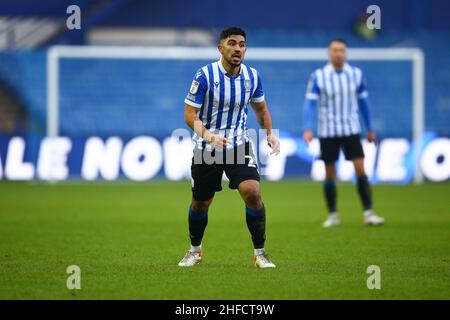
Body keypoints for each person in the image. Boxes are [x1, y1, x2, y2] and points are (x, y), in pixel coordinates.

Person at [178, 27, 280, 268]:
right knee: (201, 203)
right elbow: (189, 114)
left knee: (252, 193)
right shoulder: (204, 75)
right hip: (207, 147)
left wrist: (270, 135)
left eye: (242, 44)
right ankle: (195, 250)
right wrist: (209, 136)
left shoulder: (252, 76)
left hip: (238, 145)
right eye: (232, 43)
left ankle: (260, 253)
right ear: (220, 48)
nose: (237, 48)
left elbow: (261, 109)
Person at [302, 38, 385, 228]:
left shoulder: (356, 74)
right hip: (328, 131)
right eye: (335, 50)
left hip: (351, 130)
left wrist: (370, 128)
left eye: (341, 50)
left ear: (345, 53)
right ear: (329, 53)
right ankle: (333, 215)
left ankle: (368, 213)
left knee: (361, 170)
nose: (338, 53)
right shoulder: (319, 76)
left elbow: (364, 103)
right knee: (329, 174)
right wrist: (308, 128)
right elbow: (310, 103)